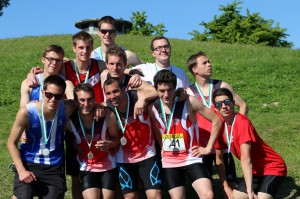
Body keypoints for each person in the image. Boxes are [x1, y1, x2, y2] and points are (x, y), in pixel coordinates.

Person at [148, 70, 222, 199]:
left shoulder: (188, 101)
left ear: (175, 88)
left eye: (170, 90)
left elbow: (216, 120)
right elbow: (156, 128)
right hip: (169, 161)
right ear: (156, 90)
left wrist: (209, 147)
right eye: (161, 91)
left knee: (208, 194)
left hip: (191, 157)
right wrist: (161, 146)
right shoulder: (153, 107)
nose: (166, 94)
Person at [186, 51, 248, 192]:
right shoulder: (188, 92)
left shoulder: (222, 86)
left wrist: (235, 130)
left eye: (209, 62)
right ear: (194, 69)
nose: (209, 64)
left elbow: (242, 105)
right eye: (204, 63)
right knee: (207, 187)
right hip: (202, 146)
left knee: (231, 186)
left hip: (223, 143)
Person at [7, 75, 76, 199]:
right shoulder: (27, 112)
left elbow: (87, 102)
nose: (53, 99)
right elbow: (11, 143)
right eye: (49, 95)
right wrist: (21, 171)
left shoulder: (67, 107)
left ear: (63, 96)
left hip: (54, 166)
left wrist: (98, 107)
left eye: (58, 96)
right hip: (29, 163)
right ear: (43, 93)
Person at [213, 88, 287, 199]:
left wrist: (249, 190)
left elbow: (246, 159)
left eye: (227, 102)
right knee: (237, 197)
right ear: (215, 108)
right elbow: (219, 159)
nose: (224, 106)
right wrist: (225, 186)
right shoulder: (219, 127)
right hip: (255, 170)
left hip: (273, 166)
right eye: (219, 104)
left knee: (262, 198)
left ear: (233, 103)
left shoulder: (242, 122)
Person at [103, 77, 162, 199]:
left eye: (116, 91)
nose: (112, 96)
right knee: (130, 197)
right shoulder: (107, 108)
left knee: (155, 195)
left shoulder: (136, 96)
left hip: (147, 155)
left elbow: (159, 91)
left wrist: (143, 98)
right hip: (124, 159)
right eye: (108, 93)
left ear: (124, 89)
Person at [66, 83, 120, 199]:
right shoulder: (70, 120)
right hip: (87, 165)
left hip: (108, 165)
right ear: (76, 102)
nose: (86, 104)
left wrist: (110, 144)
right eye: (82, 100)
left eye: (89, 100)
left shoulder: (107, 115)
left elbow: (117, 139)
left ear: (94, 100)